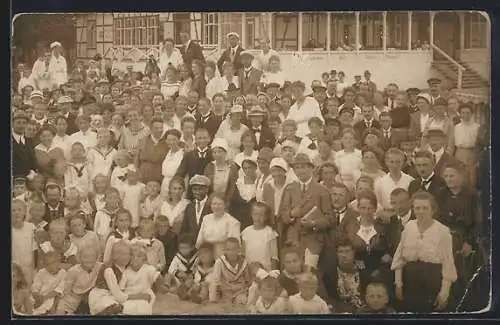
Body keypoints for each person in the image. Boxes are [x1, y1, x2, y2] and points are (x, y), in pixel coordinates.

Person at [391, 191, 457, 312]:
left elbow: (448, 263)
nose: (421, 211)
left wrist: (444, 292)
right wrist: (398, 283)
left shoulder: (443, 231)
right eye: (417, 208)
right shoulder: (409, 227)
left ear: (433, 210)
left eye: (425, 208)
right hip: (410, 281)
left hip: (433, 280)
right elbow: (399, 258)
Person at [279, 153, 333, 271]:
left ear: (311, 168)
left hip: (313, 238)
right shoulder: (290, 188)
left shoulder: (322, 190)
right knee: (292, 273)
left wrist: (313, 223)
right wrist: (292, 214)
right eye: (297, 168)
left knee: (309, 273)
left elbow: (330, 219)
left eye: (303, 167)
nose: (300, 171)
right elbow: (283, 215)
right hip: (293, 238)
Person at [323, 239, 370, 313]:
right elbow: (330, 298)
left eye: (347, 251)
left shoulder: (363, 272)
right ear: (336, 254)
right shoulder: (330, 274)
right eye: (340, 252)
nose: (344, 255)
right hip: (340, 311)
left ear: (353, 253)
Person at [55, 246, 101, 314]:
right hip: (72, 299)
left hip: (89, 300)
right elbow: (65, 290)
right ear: (79, 258)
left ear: (97, 258)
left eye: (92, 256)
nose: (89, 259)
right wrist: (57, 304)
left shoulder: (100, 267)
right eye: (85, 256)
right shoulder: (74, 271)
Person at [119, 244, 162, 315]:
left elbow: (158, 276)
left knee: (143, 308)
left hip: (145, 297)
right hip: (131, 297)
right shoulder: (126, 272)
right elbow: (121, 290)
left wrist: (160, 286)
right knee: (127, 308)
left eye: (139, 256)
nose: (135, 258)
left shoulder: (147, 268)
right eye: (132, 255)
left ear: (144, 260)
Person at [196, 193, 241, 258]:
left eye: (219, 204)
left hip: (223, 256)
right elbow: (199, 241)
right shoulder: (206, 219)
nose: (216, 207)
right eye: (214, 204)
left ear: (225, 205)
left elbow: (234, 245)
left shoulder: (233, 222)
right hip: (206, 256)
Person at [209, 237, 250, 304]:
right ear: (224, 250)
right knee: (213, 285)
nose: (231, 252)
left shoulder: (244, 262)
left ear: (239, 249)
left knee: (242, 301)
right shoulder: (220, 261)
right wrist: (213, 298)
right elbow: (215, 279)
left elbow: (247, 279)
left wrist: (244, 289)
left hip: (239, 290)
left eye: (234, 249)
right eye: (228, 249)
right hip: (226, 290)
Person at [449, 103, 480, 189]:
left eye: (468, 112)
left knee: (472, 178)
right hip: (459, 153)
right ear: (460, 113)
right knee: (460, 176)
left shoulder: (477, 127)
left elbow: (479, 144)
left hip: (472, 153)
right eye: (463, 113)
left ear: (472, 113)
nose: (465, 115)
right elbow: (451, 144)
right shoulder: (456, 127)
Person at [135, 118, 169, 184]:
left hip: (160, 176)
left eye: (161, 128)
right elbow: (136, 158)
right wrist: (137, 171)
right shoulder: (143, 140)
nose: (160, 130)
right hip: (144, 176)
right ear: (151, 128)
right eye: (156, 128)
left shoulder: (166, 141)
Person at [12, 200, 37, 285]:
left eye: (19, 210)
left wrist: (35, 269)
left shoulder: (31, 227)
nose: (16, 213)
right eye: (13, 210)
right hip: (13, 271)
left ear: (25, 212)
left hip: (28, 269)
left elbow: (35, 249)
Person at [180, 175, 212, 239]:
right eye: (195, 189)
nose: (197, 192)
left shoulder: (212, 205)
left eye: (200, 189)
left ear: (206, 189)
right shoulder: (189, 207)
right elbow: (184, 228)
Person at [160, 129, 185, 199]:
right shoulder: (167, 152)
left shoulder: (183, 153)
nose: (171, 142)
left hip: (177, 184)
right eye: (169, 140)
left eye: (174, 140)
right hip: (165, 184)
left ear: (179, 140)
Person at [12, 110, 38, 178]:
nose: (21, 125)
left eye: (24, 123)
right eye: (18, 123)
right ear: (12, 124)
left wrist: (32, 171)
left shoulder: (29, 141)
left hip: (29, 180)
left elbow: (32, 162)